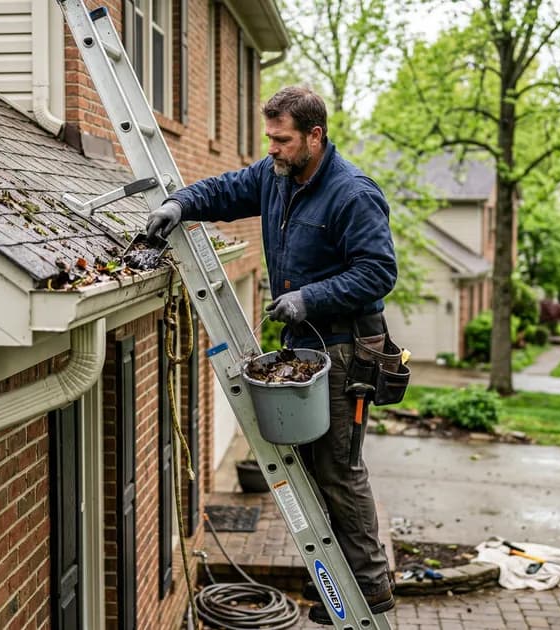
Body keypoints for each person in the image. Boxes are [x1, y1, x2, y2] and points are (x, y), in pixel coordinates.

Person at [145, 85, 397, 623]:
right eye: (270, 140)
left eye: (282, 140)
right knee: (308, 465)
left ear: (315, 136)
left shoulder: (352, 193)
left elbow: (379, 272)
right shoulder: (275, 177)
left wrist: (309, 298)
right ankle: (340, 588)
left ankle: (370, 589)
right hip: (306, 348)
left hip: (348, 350)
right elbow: (226, 189)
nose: (273, 149)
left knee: (338, 468)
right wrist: (179, 204)